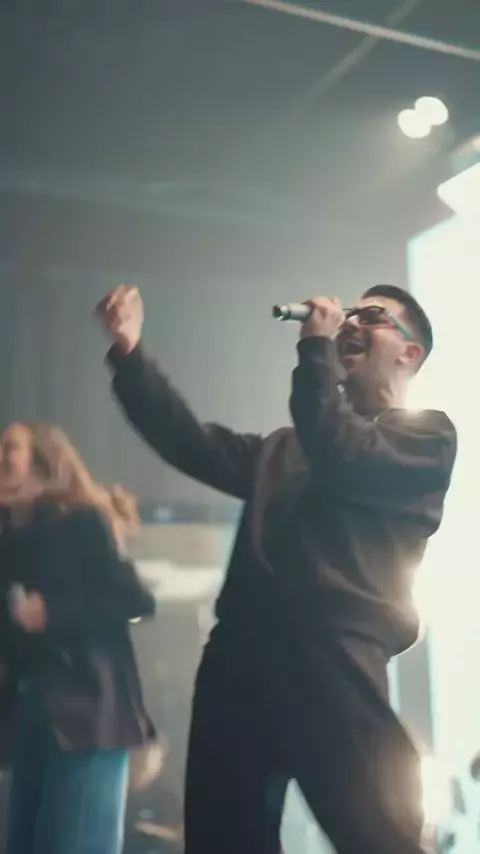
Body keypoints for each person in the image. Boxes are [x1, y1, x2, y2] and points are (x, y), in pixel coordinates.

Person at [96, 283, 457, 854]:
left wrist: (314, 352)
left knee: (375, 833)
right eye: (349, 316)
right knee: (224, 837)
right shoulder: (285, 448)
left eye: (372, 317)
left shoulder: (425, 438)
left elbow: (341, 451)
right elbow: (191, 443)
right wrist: (129, 353)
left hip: (333, 653)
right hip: (239, 654)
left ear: (409, 353)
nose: (350, 324)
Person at [0, 421, 156, 854]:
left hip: (88, 714)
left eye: (10, 449)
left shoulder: (82, 522)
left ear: (45, 464)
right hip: (33, 715)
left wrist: (55, 612)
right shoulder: (11, 539)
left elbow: (136, 602)